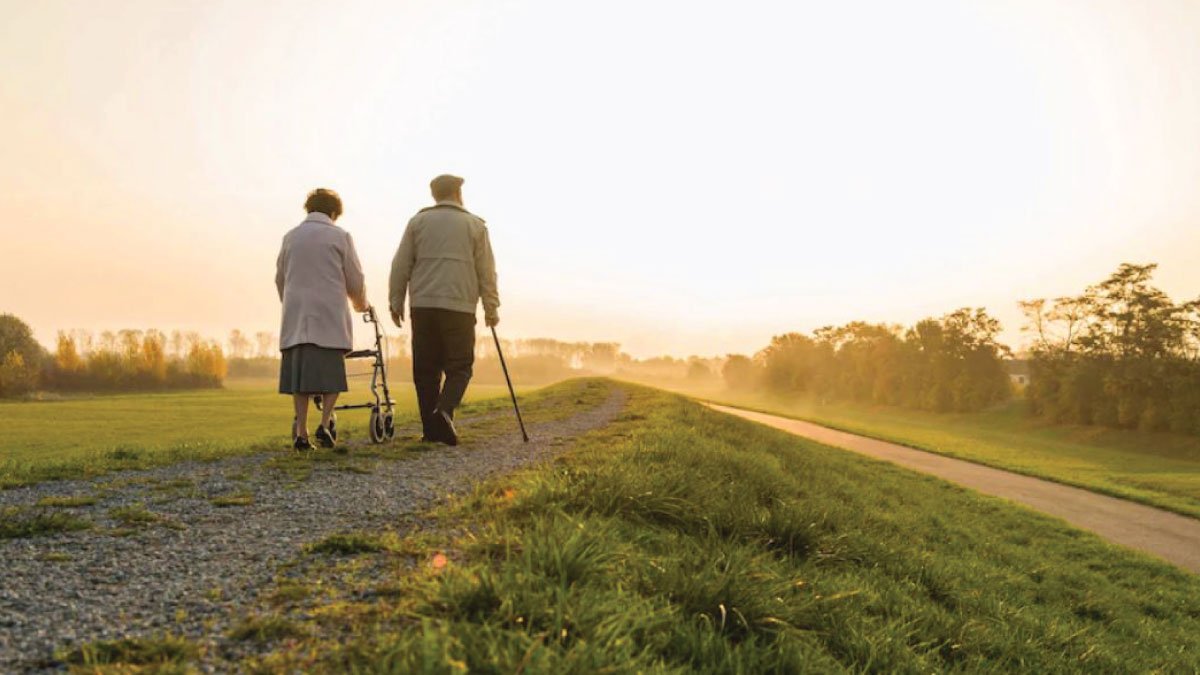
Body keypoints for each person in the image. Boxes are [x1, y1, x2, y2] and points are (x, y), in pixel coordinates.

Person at [389, 174, 500, 445]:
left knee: (425, 370)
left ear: (434, 195)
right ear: (458, 194)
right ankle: (444, 411)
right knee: (460, 366)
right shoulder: (475, 226)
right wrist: (491, 306)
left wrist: (395, 300)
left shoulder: (418, 222)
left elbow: (400, 264)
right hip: (459, 306)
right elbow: (487, 271)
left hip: (423, 305)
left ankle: (431, 430)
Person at [276, 188, 369, 451]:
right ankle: (325, 423)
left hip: (297, 315)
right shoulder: (340, 236)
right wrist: (361, 303)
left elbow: (280, 278)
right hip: (329, 313)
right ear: (333, 212)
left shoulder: (290, 238)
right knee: (332, 373)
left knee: (300, 377)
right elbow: (354, 277)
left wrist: (290, 302)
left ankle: (302, 432)